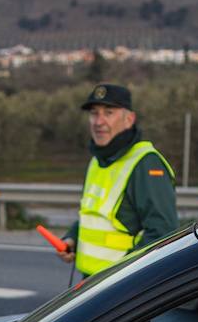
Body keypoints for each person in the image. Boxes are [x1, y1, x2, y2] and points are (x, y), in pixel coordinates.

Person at [58, 83, 179, 276]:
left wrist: (121, 278)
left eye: (108, 113)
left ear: (129, 119)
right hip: (91, 284)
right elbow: (95, 217)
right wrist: (72, 238)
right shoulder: (98, 161)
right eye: (94, 114)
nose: (99, 122)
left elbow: (162, 234)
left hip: (125, 291)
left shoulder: (145, 163)